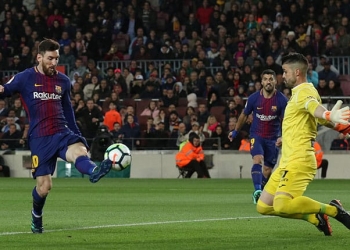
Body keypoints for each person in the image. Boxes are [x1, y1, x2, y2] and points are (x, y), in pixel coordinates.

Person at [0, 39, 113, 234]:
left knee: (79, 151)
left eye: (57, 58)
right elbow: (4, 90)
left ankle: (94, 170)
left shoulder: (63, 81)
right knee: (44, 187)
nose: (54, 62)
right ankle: (36, 216)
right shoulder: (25, 78)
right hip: (40, 138)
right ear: (39, 57)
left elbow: (68, 111)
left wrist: (78, 136)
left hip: (62, 132)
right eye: (50, 58)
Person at [256, 52, 350, 236]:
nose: (282, 76)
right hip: (286, 161)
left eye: (285, 72)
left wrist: (328, 114)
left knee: (282, 205)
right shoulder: (304, 92)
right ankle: (314, 218)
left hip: (298, 160)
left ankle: (333, 210)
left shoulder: (304, 92)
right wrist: (341, 127)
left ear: (297, 72)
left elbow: (312, 107)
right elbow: (314, 117)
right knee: (263, 207)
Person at [229, 69, 288, 204]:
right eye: (265, 79)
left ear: (275, 81)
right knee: (257, 159)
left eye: (271, 79)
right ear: (261, 82)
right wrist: (235, 131)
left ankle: (261, 193)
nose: (268, 82)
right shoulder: (253, 98)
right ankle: (257, 190)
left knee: (267, 170)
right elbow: (244, 115)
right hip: (257, 135)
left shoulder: (282, 100)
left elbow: (286, 120)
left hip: (273, 139)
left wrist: (283, 137)